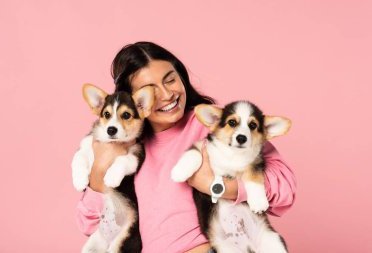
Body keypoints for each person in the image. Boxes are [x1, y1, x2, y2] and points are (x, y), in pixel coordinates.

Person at [76, 41, 296, 253]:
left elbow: (285, 189)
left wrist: (217, 186)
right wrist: (98, 174)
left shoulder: (220, 124)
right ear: (135, 102)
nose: (167, 94)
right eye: (151, 90)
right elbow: (89, 225)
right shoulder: (126, 149)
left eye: (170, 80)